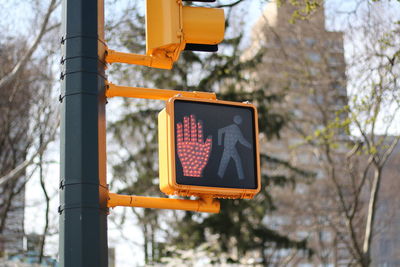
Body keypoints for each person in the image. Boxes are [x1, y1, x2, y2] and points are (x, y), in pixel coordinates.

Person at [217, 115, 251, 180]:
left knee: (235, 161)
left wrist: (220, 144)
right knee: (227, 162)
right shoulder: (235, 129)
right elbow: (242, 141)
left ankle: (241, 178)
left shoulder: (232, 128)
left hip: (230, 148)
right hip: (229, 148)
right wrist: (250, 146)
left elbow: (220, 131)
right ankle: (219, 177)